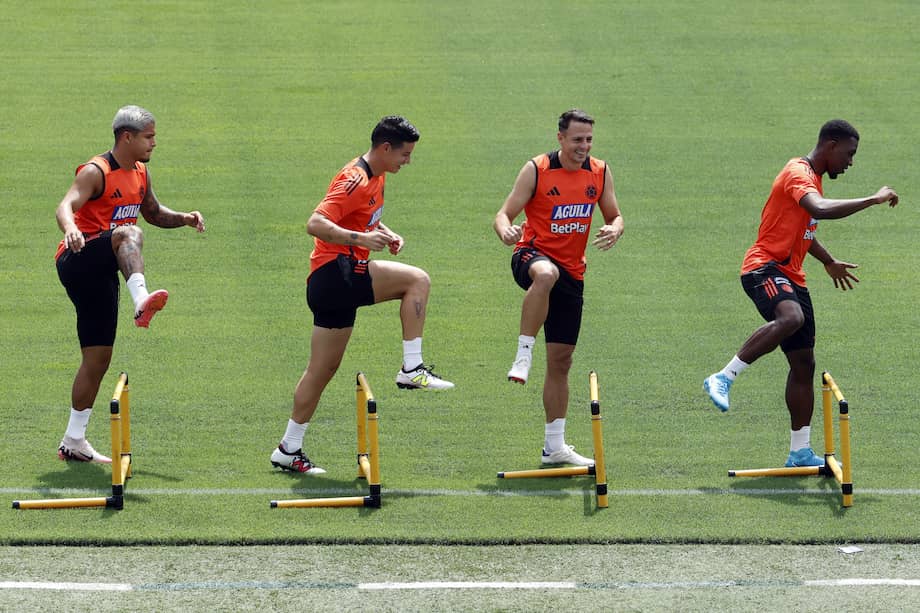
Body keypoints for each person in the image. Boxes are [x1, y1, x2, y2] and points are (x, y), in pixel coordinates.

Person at [703, 119, 899, 467]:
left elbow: (804, 228)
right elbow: (819, 210)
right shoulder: (798, 173)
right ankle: (723, 376)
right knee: (791, 318)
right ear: (831, 145)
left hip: (792, 275)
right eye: (849, 154)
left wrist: (828, 260)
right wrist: (873, 199)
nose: (850, 163)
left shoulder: (814, 179)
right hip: (763, 267)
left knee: (804, 362)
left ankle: (799, 451)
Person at [270, 115, 454, 475]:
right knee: (417, 280)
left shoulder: (377, 175)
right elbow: (316, 223)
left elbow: (362, 218)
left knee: (322, 370)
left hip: (330, 283)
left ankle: (288, 448)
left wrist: (384, 232)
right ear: (385, 148)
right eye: (405, 154)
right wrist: (362, 241)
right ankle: (411, 368)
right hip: (337, 272)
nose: (408, 161)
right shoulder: (354, 179)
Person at [54, 105, 206, 463]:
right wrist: (72, 228)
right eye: (148, 137)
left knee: (98, 358)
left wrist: (183, 218)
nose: (154, 143)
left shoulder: (139, 173)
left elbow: (152, 213)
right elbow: (66, 204)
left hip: (104, 269)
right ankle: (141, 299)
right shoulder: (97, 171)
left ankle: (73, 440)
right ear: (127, 137)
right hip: (77, 259)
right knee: (126, 232)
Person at [493, 109, 624, 467]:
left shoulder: (599, 172)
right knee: (546, 275)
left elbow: (614, 214)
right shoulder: (537, 169)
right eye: (578, 139)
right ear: (561, 138)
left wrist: (615, 228)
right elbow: (504, 214)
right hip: (531, 257)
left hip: (573, 273)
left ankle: (554, 447)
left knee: (562, 362)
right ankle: (523, 353)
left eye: (589, 140)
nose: (584, 146)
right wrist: (506, 231)